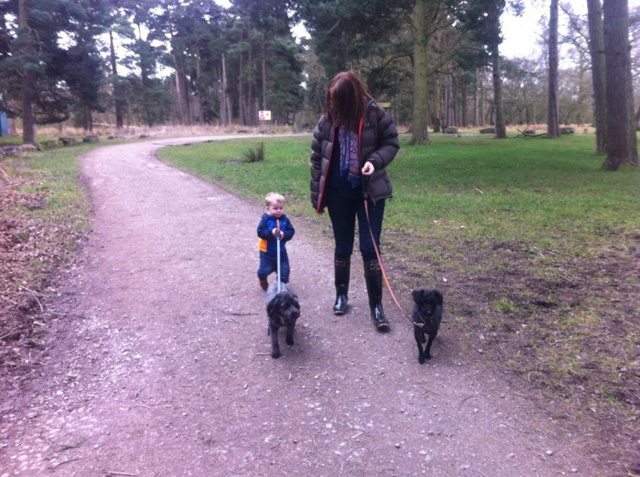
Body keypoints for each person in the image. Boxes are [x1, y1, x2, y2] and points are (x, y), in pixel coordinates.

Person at [310, 71, 400, 331]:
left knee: (370, 249)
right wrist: (318, 194)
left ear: (352, 98)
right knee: (342, 246)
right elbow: (317, 157)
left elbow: (391, 142)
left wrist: (374, 161)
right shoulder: (328, 119)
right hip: (339, 194)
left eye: (339, 100)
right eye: (332, 100)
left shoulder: (375, 114)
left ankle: (376, 306)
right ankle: (341, 296)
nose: (334, 105)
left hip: (369, 193)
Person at [257, 192, 295, 290]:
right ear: (268, 208)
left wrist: (284, 234)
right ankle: (262, 278)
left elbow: (291, 231)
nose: (278, 211)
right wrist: (271, 232)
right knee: (264, 271)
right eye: (275, 208)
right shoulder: (266, 220)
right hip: (267, 253)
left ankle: (279, 287)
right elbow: (260, 232)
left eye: (281, 208)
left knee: (284, 273)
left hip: (281, 253)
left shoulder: (285, 220)